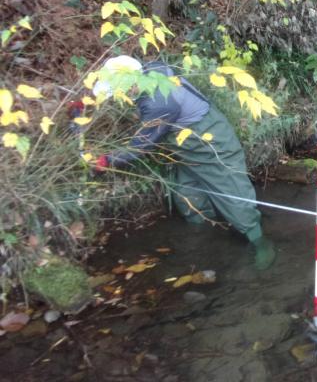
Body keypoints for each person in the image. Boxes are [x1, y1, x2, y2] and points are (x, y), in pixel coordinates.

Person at [92, 55, 276, 270]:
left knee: (233, 194)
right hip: (184, 145)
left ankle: (259, 240)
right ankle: (209, 239)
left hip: (211, 140)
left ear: (130, 83)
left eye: (117, 92)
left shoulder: (159, 103)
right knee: (187, 196)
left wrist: (108, 159)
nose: (117, 97)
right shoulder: (152, 71)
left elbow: (140, 145)